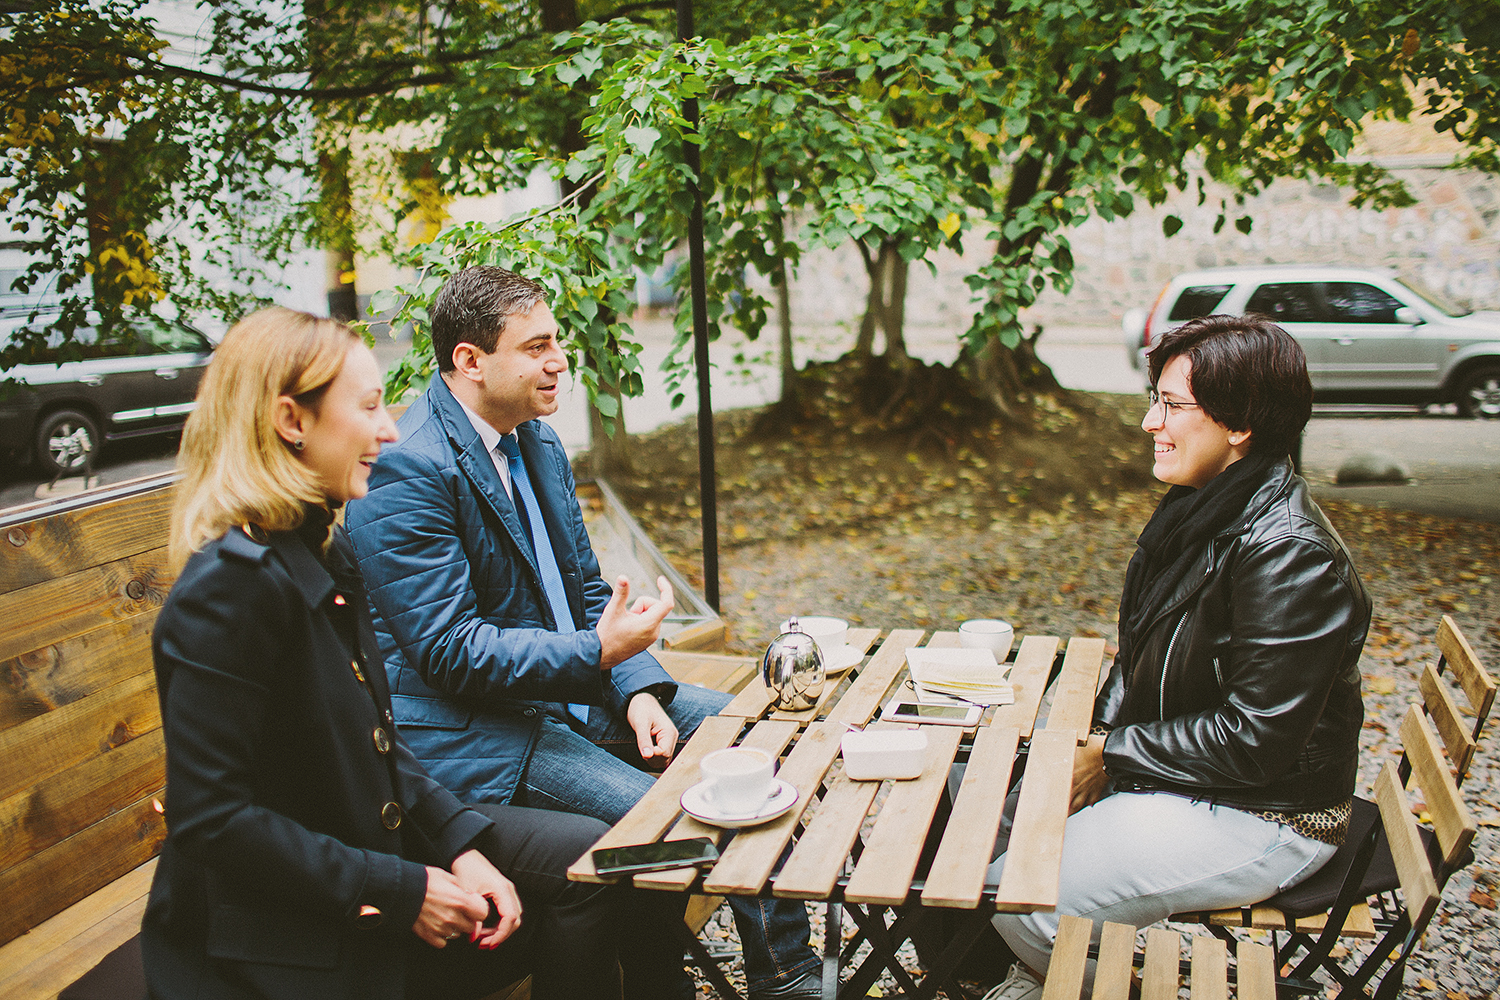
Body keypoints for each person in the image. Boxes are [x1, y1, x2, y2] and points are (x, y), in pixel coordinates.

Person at [141, 307, 670, 1000]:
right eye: (367, 407)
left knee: (588, 860)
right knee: (607, 855)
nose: (389, 430)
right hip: (271, 937)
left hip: (370, 837)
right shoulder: (228, 591)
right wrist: (401, 887)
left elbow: (379, 746)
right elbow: (210, 820)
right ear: (291, 421)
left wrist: (458, 845)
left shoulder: (321, 551)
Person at [344, 265, 821, 1000]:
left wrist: (635, 686)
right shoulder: (408, 467)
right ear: (470, 361)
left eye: (556, 343)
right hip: (475, 731)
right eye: (536, 347)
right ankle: (671, 982)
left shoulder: (535, 441)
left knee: (755, 743)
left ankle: (784, 973)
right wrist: (597, 654)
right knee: (666, 820)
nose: (559, 362)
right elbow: (449, 650)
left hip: (572, 694)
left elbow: (589, 592)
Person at [982, 314, 1370, 1000]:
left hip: (1269, 814)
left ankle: (1066, 976)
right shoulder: (1202, 509)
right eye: (1153, 400)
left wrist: (1111, 756)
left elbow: (1255, 741)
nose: (1148, 422)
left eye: (1172, 404)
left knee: (1020, 898)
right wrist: (1098, 737)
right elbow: (1140, 655)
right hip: (1192, 777)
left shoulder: (1289, 555)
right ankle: (1031, 972)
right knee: (982, 823)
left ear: (1240, 423)